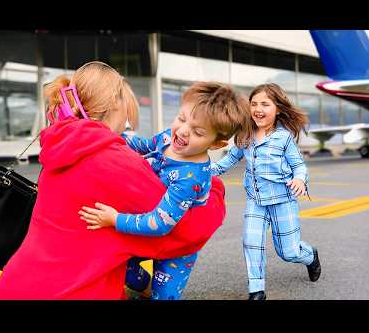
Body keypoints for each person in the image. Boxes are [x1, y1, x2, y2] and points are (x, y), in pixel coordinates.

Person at [0, 61, 227, 300]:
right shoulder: (114, 162)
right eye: (128, 113)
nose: (128, 124)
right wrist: (213, 186)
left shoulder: (64, 146)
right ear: (115, 105)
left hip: (13, 287)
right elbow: (185, 232)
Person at [79, 81, 253, 300]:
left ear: (217, 144)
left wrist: (115, 219)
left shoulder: (190, 178)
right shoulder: (167, 139)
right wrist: (103, 134)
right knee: (122, 269)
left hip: (176, 242)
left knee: (164, 296)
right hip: (147, 221)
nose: (183, 131)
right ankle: (144, 285)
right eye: (181, 118)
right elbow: (139, 144)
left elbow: (159, 224)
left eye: (198, 132)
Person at [210, 83, 321, 300]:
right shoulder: (245, 134)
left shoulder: (284, 137)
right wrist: (204, 171)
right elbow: (229, 160)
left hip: (283, 200)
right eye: (254, 104)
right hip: (256, 201)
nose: (258, 109)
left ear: (278, 108)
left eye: (265, 104)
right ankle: (257, 291)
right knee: (251, 242)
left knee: (288, 253)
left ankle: (310, 255)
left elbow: (299, 165)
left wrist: (299, 179)